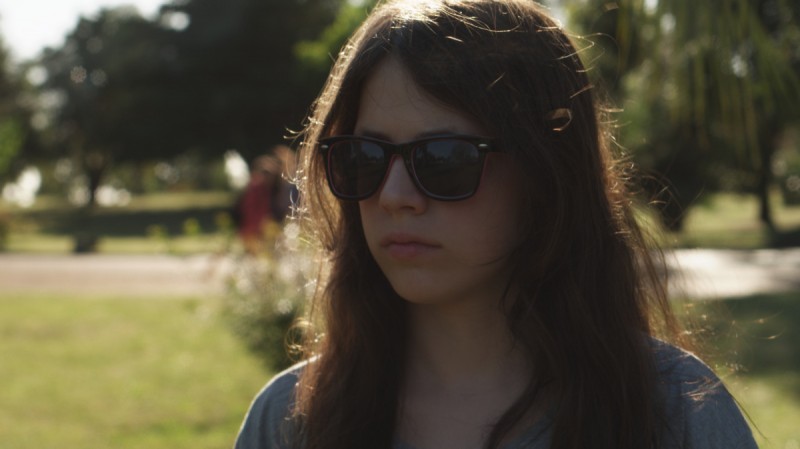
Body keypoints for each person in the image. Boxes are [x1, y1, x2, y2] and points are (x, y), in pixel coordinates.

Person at [235, 0, 758, 448]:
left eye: (444, 159)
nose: (393, 197)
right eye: (363, 158)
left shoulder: (675, 411)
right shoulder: (290, 420)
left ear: (546, 173)